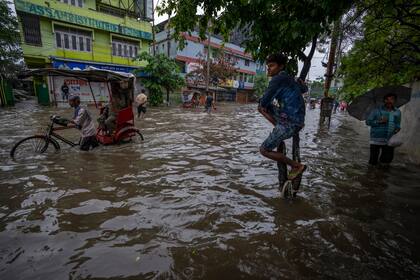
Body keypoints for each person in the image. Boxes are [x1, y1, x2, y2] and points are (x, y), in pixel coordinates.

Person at [258, 53, 306, 180]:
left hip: (290, 123)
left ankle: (296, 166)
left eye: (272, 66)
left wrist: (263, 106)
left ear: (281, 67)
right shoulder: (290, 78)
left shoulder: (277, 80)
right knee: (265, 107)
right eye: (268, 66)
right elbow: (304, 88)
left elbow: (264, 102)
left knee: (264, 150)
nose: (269, 68)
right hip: (297, 119)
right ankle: (279, 129)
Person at [366, 93, 401, 165]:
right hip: (376, 138)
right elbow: (368, 122)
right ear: (384, 100)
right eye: (387, 99)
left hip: (389, 139)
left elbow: (398, 124)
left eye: (392, 99)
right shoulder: (376, 110)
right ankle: (372, 174)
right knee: (373, 161)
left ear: (395, 101)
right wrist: (379, 121)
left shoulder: (397, 112)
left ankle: (381, 174)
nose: (389, 101)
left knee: (387, 161)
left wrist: (397, 128)